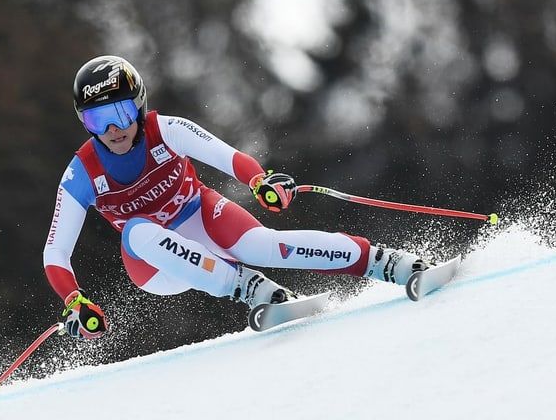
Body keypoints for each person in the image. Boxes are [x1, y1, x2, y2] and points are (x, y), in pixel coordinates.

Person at [43, 55, 426, 339]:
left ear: (138, 106)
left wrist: (259, 182)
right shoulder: (82, 172)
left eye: (122, 113)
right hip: (158, 265)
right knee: (137, 232)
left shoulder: (167, 129)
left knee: (266, 246)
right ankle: (247, 288)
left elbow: (229, 158)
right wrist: (74, 300)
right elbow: (55, 252)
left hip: (201, 215)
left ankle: (385, 262)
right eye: (97, 120)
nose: (113, 129)